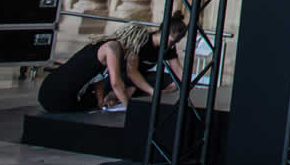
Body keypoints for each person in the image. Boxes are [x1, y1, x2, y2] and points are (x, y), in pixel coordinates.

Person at [37, 12, 187, 114]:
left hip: (64, 92)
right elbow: (116, 82)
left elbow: (99, 77)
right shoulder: (112, 47)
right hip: (54, 93)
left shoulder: (115, 49)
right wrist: (129, 107)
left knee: (100, 105)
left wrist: (100, 100)